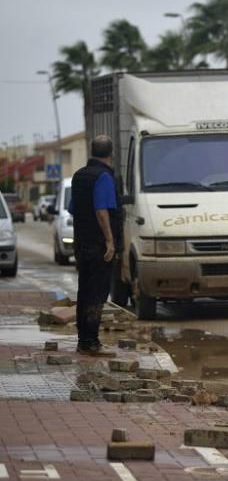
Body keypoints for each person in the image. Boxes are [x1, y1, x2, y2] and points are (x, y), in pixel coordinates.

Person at [70, 135, 121, 357]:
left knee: (84, 290)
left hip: (82, 243)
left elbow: (74, 210)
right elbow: (102, 211)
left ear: (92, 151)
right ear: (111, 153)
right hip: (98, 245)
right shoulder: (104, 177)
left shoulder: (79, 176)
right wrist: (110, 241)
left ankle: (83, 339)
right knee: (97, 293)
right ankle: (91, 342)